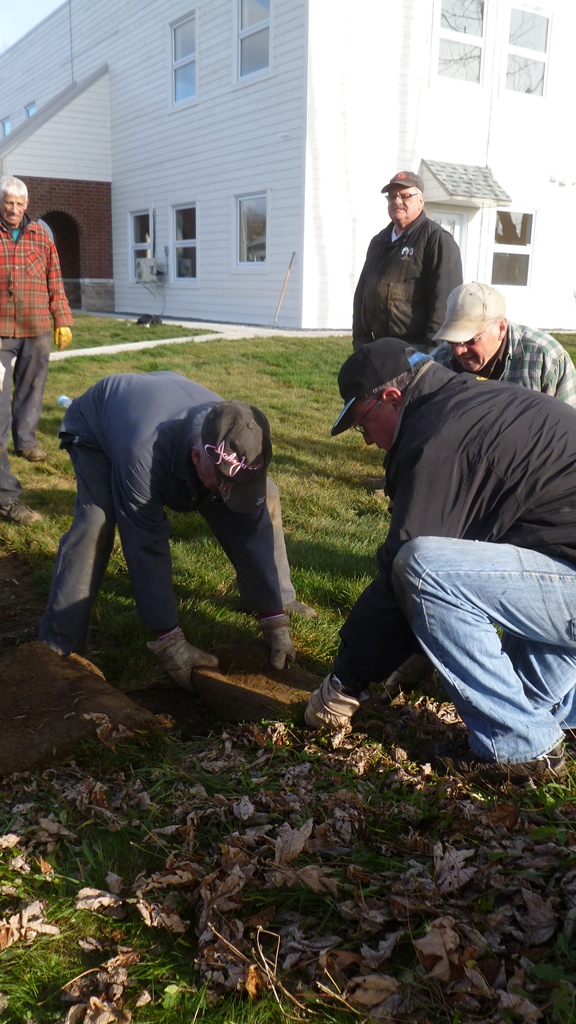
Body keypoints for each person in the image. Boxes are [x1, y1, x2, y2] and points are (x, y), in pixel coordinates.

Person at [305, 338, 576, 784]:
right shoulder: (465, 404)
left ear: (391, 398)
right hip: (564, 558)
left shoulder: (439, 438)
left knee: (420, 565)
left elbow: (408, 566)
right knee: (470, 574)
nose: (368, 438)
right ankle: (548, 714)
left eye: (363, 423)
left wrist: (344, 681)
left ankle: (521, 747)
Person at [39, 371, 308, 685]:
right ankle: (59, 645)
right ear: (196, 457)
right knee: (95, 522)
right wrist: (168, 638)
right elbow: (145, 541)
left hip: (163, 407)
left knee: (264, 497)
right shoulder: (144, 454)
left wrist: (273, 617)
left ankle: (271, 601)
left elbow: (251, 527)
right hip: (99, 428)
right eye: (223, 482)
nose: (228, 493)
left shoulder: (239, 434)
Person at [0, 176, 73, 479]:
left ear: (27, 204)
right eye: (8, 203)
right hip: (1, 328)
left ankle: (26, 441)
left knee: (32, 387)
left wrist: (63, 320)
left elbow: (54, 282)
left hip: (37, 326)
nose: (13, 209)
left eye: (19, 203)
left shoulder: (41, 238)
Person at [352, 171, 463, 353]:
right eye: (392, 197)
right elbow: (361, 295)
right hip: (377, 349)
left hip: (416, 351)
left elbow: (444, 304)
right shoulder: (378, 242)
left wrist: (430, 357)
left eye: (405, 196)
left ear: (421, 200)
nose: (397, 201)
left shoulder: (436, 240)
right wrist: (361, 343)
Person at [432, 281, 576, 404]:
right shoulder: (438, 363)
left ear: (501, 328)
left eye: (470, 340)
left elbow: (568, 429)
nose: (458, 350)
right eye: (452, 340)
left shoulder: (547, 360)